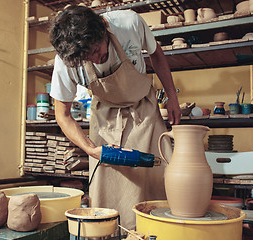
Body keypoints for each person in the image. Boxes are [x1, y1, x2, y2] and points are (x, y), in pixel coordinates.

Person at [49, 5, 181, 229]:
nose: (96, 58)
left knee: (163, 180)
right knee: (107, 194)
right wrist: (89, 148)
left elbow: (156, 53)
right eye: (88, 57)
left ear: (103, 28)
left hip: (145, 110)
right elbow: (62, 115)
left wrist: (172, 96)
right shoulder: (66, 61)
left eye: (97, 49)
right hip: (105, 120)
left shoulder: (128, 23)